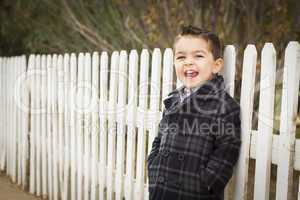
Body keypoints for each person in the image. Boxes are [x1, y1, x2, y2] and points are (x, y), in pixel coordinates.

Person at [147, 25, 241, 200]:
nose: (188, 62)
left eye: (198, 56)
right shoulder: (173, 100)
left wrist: (205, 183)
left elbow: (226, 153)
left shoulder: (224, 106)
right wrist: (153, 164)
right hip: (161, 189)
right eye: (181, 57)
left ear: (216, 65)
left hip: (193, 193)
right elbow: (159, 139)